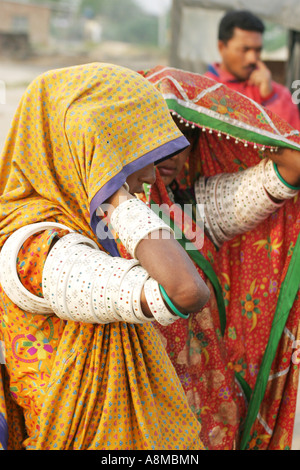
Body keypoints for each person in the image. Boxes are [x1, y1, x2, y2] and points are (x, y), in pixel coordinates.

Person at [0, 62, 211, 450]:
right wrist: (113, 192)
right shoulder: (33, 250)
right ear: (91, 148)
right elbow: (183, 291)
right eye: (135, 155)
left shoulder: (86, 224)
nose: (150, 175)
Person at [139, 65, 300, 450]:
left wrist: (224, 117)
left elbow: (292, 168)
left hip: (198, 397)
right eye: (159, 133)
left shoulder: (198, 207)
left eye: (186, 136)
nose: (173, 149)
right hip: (133, 388)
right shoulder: (90, 211)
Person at [205, 10, 300, 130]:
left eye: (258, 50)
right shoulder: (203, 89)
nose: (253, 59)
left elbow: (291, 143)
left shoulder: (278, 94)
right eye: (244, 50)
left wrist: (269, 98)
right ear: (221, 47)